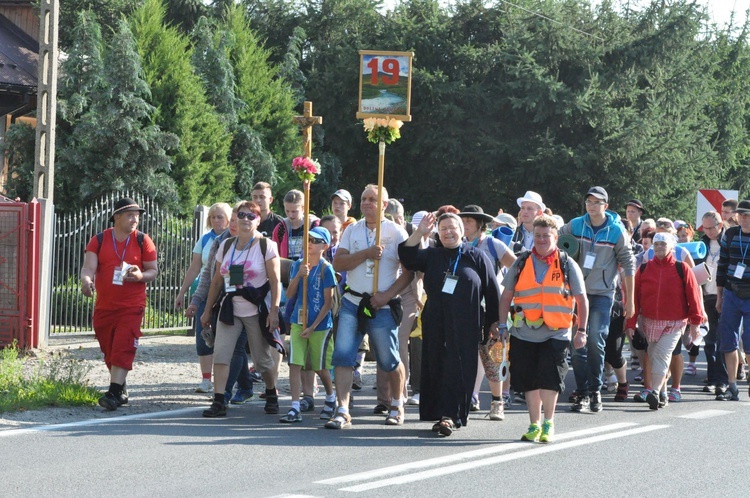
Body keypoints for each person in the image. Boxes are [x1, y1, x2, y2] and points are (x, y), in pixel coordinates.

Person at [399, 211, 500, 436]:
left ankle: (450, 416)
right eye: (443, 229)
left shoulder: (477, 257)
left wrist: (494, 322)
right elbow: (406, 256)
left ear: (462, 231)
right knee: (436, 364)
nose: (448, 232)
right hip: (436, 320)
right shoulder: (432, 255)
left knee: (459, 367)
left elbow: (492, 291)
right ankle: (439, 413)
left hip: (466, 321)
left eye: (452, 228)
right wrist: (420, 232)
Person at [326, 185, 413, 429]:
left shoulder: (397, 232)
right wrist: (366, 253)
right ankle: (342, 409)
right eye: (364, 199)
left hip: (382, 305)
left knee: (389, 359)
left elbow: (408, 274)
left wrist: (386, 296)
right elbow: (339, 263)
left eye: (372, 200)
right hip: (353, 301)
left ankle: (397, 403)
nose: (366, 203)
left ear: (384, 205)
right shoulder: (351, 230)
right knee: (342, 356)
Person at [496, 214, 588, 442]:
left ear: (555, 237)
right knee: (529, 380)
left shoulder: (567, 263)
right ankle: (533, 424)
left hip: (556, 331)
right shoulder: (522, 261)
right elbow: (507, 295)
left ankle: (548, 423)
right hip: (524, 331)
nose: (541, 239)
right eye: (537, 235)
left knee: (550, 378)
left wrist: (582, 331)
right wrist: (501, 325)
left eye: (546, 236)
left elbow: (582, 299)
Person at [200, 201, 282, 417]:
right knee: (221, 354)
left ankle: (271, 393)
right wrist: (207, 310)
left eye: (251, 216)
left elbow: (275, 282)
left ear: (258, 220)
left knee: (262, 359)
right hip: (230, 308)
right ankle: (219, 401)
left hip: (256, 310)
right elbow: (216, 281)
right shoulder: (226, 246)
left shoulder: (266, 245)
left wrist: (274, 312)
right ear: (235, 218)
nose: (246, 219)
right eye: (242, 215)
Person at [559, 186, 635, 413]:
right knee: (577, 344)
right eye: (589, 201)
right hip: (575, 293)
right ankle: (582, 392)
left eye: (597, 202)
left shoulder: (616, 230)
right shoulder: (574, 225)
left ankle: (595, 390)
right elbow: (556, 242)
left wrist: (630, 301)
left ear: (606, 206)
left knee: (595, 339)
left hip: (603, 294)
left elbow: (629, 264)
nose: (592, 205)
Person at [80, 198, 158, 410]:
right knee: (109, 350)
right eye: (130, 215)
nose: (135, 219)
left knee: (123, 344)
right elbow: (88, 268)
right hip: (105, 306)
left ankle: (113, 393)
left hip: (132, 305)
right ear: (117, 217)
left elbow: (153, 270)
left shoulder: (143, 240)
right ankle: (120, 389)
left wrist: (141, 275)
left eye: (137, 215)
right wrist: (86, 281)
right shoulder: (99, 240)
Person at [625, 233, 703, 410]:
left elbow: (694, 296)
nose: (659, 247)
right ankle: (663, 393)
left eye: (663, 244)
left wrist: (695, 323)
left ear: (671, 247)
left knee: (661, 354)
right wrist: (631, 323)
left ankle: (653, 390)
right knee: (653, 356)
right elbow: (634, 299)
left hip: (675, 323)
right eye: (656, 244)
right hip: (649, 322)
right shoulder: (643, 269)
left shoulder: (682, 268)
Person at [187, 208, 256, 405]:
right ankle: (240, 388)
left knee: (251, 354)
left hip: (247, 303)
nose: (235, 224)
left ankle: (230, 391)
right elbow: (208, 277)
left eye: (237, 219)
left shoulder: (254, 243)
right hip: (224, 303)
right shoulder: (220, 243)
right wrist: (197, 302)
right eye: (233, 220)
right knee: (231, 348)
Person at [459, 205, 516, 420]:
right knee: (470, 354)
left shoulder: (493, 244)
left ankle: (497, 401)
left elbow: (516, 268)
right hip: (468, 307)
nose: (464, 225)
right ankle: (471, 396)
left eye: (469, 221)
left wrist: (505, 293)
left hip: (493, 307)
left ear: (480, 224)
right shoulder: (458, 245)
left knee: (494, 355)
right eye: (462, 221)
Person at [280, 227, 338, 423]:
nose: (310, 243)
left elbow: (328, 302)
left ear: (325, 246)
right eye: (308, 239)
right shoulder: (298, 265)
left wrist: (313, 327)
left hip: (319, 326)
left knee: (319, 367)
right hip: (298, 321)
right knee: (295, 363)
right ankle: (295, 406)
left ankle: (330, 397)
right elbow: (289, 295)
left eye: (315, 240)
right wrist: (298, 276)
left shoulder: (326, 268)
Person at [174, 202, 232, 393]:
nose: (216, 220)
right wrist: (182, 292)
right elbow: (195, 268)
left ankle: (227, 380)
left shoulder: (235, 238)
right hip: (204, 291)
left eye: (220, 217)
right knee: (203, 335)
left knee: (225, 337)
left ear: (229, 218)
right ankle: (206, 379)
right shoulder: (205, 239)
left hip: (227, 293)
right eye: (213, 217)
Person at [715, 199, 750, 401]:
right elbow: (722, 266)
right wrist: (719, 296)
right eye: (741, 215)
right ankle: (732, 386)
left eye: (747, 214)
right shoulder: (730, 234)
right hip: (731, 293)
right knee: (728, 341)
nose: (744, 218)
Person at [694, 211, 729, 396]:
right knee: (709, 340)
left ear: (720, 225)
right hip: (706, 297)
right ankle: (712, 378)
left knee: (724, 341)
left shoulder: (728, 241)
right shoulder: (702, 244)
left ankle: (723, 381)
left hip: (726, 297)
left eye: (711, 227)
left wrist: (722, 297)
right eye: (705, 228)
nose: (708, 231)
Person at [272, 189, 320, 261]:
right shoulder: (281, 227)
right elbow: (274, 252)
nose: (290, 215)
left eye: (294, 211)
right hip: (287, 269)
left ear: (303, 208)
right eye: (287, 211)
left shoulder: (313, 224)